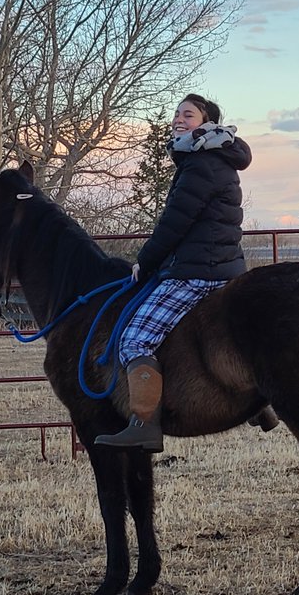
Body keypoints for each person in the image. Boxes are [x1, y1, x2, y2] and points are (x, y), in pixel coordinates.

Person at [96, 93, 277, 451]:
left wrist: (145, 262)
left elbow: (176, 223)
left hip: (199, 272)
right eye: (177, 114)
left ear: (206, 121)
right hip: (225, 267)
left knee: (136, 339)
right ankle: (260, 406)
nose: (179, 119)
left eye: (188, 114)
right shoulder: (215, 156)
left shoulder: (201, 162)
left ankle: (145, 424)